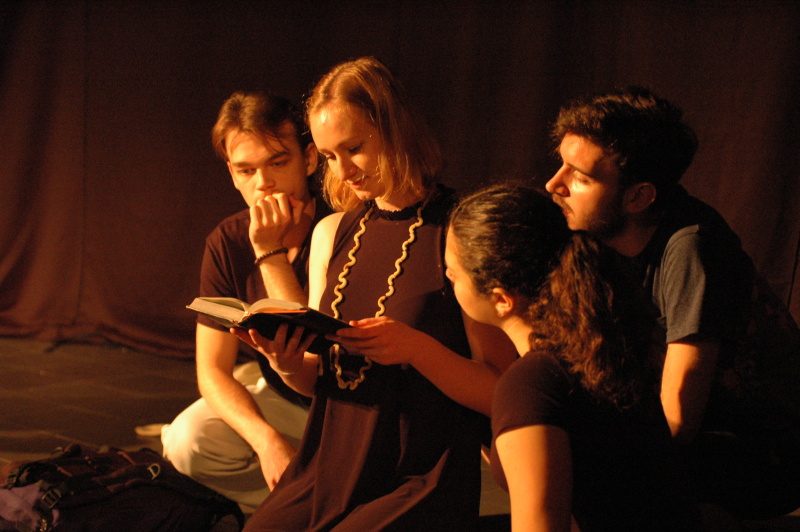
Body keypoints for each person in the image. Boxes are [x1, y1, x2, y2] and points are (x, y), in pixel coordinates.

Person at [233, 56, 517, 531]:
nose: (343, 170)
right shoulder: (332, 233)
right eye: (329, 157)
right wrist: (287, 363)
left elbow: (501, 391)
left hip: (416, 475)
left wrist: (417, 349)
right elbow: (323, 382)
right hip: (329, 466)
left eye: (354, 148)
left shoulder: (458, 230)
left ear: (396, 131)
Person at [545, 86, 800, 519]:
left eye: (581, 178)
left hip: (762, 455)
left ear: (639, 197)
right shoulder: (593, 237)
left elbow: (678, 421)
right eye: (561, 165)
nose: (554, 184)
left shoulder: (692, 248)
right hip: (693, 441)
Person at [447, 183, 703, 531]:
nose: (448, 280)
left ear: (501, 299)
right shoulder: (603, 344)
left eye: (454, 274)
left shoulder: (530, 384)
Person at [160, 91, 331, 513]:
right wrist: (265, 440)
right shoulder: (228, 239)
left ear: (309, 160)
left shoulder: (340, 224)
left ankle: (321, 502)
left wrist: (270, 252)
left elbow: (315, 356)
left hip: (348, 406)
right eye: (246, 170)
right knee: (187, 442)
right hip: (285, 402)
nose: (263, 183)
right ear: (232, 175)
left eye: (278, 163)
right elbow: (211, 371)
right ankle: (310, 503)